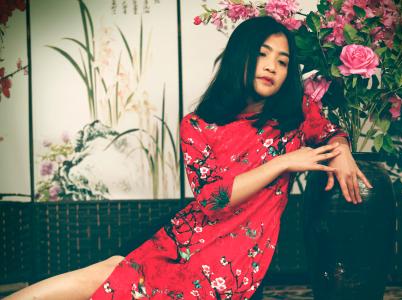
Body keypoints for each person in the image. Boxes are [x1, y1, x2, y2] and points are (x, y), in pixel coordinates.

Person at [6, 16, 372, 300]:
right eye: (261, 54)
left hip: (231, 262)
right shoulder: (198, 125)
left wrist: (342, 150)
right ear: (239, 57)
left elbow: (327, 134)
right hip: (185, 240)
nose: (272, 66)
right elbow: (212, 200)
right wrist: (281, 163)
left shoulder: (294, 116)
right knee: (113, 269)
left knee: (116, 274)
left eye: (282, 60)